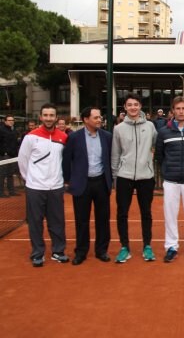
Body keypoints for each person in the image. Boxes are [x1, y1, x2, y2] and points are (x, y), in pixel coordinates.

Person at [18, 103, 69, 267]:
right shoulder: (31, 137)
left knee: (57, 222)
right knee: (35, 222)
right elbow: (23, 161)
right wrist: (31, 180)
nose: (48, 118)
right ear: (40, 117)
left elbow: (64, 161)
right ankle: (37, 253)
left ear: (56, 117)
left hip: (56, 187)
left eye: (51, 115)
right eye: (45, 115)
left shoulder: (63, 137)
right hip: (35, 188)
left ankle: (58, 251)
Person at [62, 107, 113, 265]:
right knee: (82, 220)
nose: (99, 120)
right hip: (81, 184)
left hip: (101, 183)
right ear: (85, 119)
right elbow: (66, 160)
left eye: (100, 117)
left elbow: (110, 158)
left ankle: (101, 250)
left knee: (103, 219)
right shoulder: (74, 137)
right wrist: (69, 180)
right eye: (96, 117)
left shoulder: (107, 136)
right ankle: (81, 252)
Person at [155, 96, 184, 263]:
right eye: (178, 108)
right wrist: (167, 171)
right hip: (171, 181)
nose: (181, 111)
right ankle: (171, 246)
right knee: (170, 215)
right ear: (172, 111)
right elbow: (159, 156)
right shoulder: (163, 132)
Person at [111, 93, 158, 263]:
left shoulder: (151, 126)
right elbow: (115, 154)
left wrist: (149, 163)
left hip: (146, 176)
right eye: (129, 104)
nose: (133, 107)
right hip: (124, 176)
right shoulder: (118, 129)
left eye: (136, 104)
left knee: (146, 212)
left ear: (140, 106)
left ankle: (147, 246)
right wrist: (115, 176)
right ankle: (125, 247)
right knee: (122, 213)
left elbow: (155, 145)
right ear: (124, 107)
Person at [0, 115, 19, 197]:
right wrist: (3, 152)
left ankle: (11, 191)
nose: (11, 121)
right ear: (5, 121)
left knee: (10, 174)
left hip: (13, 155)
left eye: (12, 120)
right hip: (4, 155)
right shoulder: (1, 130)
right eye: (9, 120)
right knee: (2, 174)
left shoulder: (14, 130)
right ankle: (1, 192)